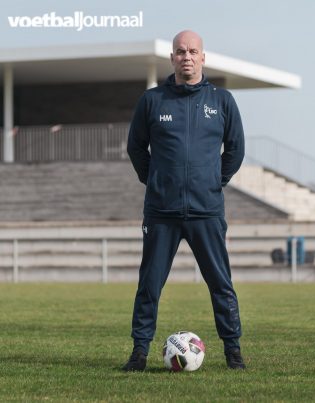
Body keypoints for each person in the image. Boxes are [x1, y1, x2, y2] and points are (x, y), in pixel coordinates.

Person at [122, 30, 246, 371]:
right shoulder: (152, 100)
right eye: (180, 51)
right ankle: (139, 352)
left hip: (207, 211)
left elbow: (235, 150)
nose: (186, 57)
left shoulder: (222, 101)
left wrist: (214, 182)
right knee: (149, 285)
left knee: (221, 283)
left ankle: (233, 352)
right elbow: (136, 147)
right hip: (161, 212)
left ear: (203, 57)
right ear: (172, 58)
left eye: (192, 51)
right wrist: (156, 181)